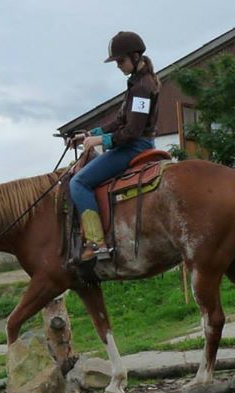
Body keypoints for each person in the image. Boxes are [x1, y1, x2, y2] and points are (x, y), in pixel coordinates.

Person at [69, 31, 161, 263]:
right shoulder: (138, 83)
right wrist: (90, 134)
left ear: (135, 55)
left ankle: (96, 243)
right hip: (135, 143)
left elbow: (132, 132)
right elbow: (120, 122)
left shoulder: (141, 88)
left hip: (135, 147)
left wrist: (102, 141)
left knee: (78, 182)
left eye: (120, 60)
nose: (118, 66)